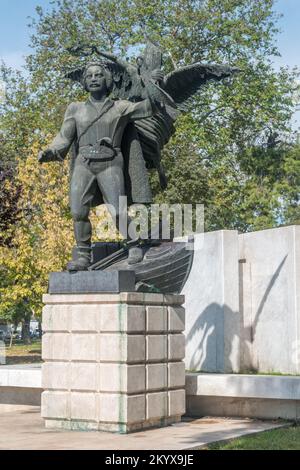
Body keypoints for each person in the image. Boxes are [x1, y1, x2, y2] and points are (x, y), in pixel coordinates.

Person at [39, 62, 162, 271]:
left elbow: (150, 107)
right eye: (89, 76)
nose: (94, 78)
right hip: (84, 165)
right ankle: (83, 256)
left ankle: (133, 243)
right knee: (78, 212)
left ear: (107, 81)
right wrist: (51, 151)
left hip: (111, 163)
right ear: (85, 83)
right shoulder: (75, 109)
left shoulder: (120, 107)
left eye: (98, 75)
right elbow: (63, 138)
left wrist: (153, 84)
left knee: (117, 210)